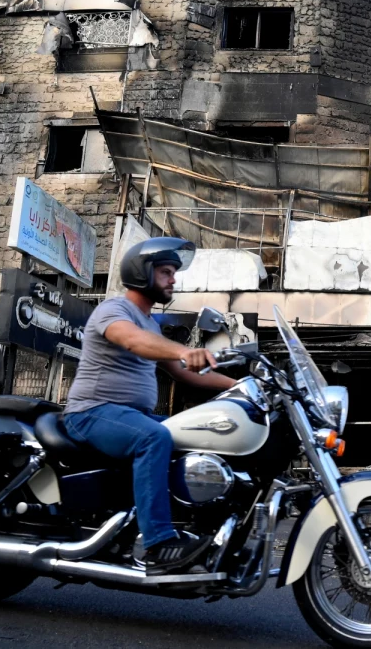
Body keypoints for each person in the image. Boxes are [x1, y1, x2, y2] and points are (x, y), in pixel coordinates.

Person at [63, 237, 239, 575]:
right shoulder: (114, 311)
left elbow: (189, 376)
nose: (173, 279)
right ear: (143, 273)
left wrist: (242, 386)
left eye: (173, 272)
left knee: (197, 435)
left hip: (130, 416)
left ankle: (194, 527)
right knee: (153, 438)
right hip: (92, 411)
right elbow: (131, 340)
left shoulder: (151, 325)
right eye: (166, 272)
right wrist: (183, 351)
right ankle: (159, 543)